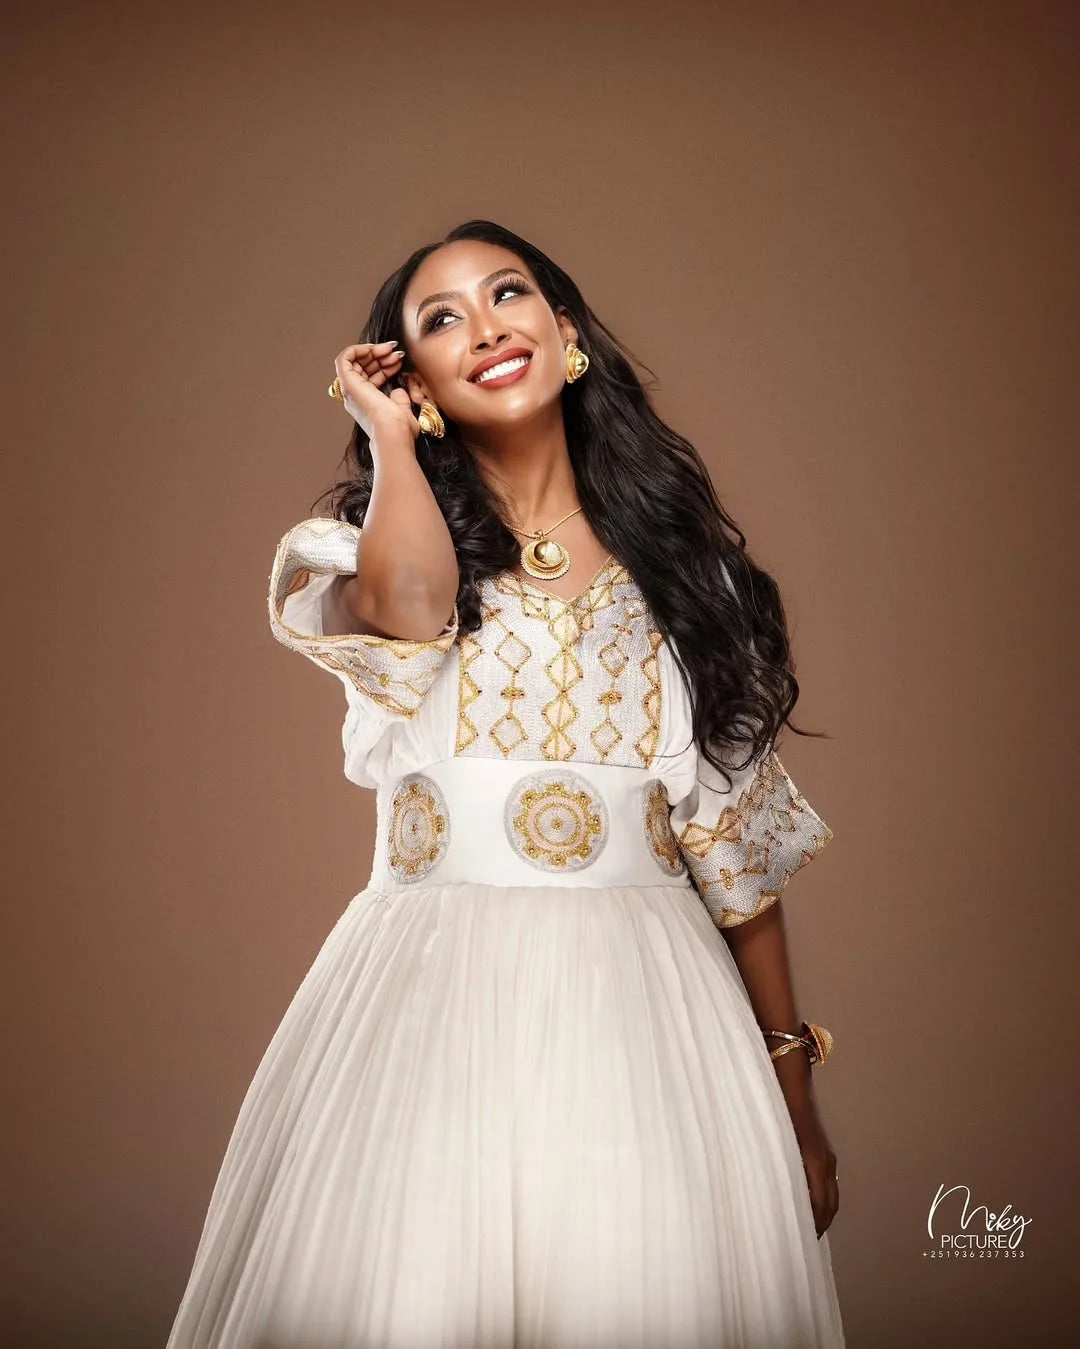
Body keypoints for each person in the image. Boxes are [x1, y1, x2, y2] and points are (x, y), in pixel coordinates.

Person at [167, 218, 846, 1348]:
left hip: (652, 1010)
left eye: (508, 294)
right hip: (431, 998)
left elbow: (736, 858)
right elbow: (415, 610)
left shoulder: (690, 575)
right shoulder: (362, 545)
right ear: (413, 377)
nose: (484, 328)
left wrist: (794, 1091)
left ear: (565, 333)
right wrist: (389, 441)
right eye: (440, 321)